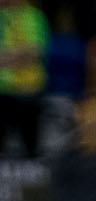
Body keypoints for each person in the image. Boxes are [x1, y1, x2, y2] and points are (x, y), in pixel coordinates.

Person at [0, 0, 48, 160]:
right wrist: (19, 55)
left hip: (28, 90)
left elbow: (35, 53)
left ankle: (32, 170)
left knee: (31, 150)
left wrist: (6, 58)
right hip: (3, 91)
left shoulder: (33, 16)